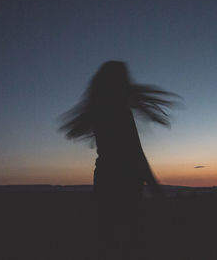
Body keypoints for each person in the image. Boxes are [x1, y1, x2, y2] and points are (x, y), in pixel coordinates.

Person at [59, 60, 180, 259]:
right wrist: (154, 186)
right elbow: (136, 152)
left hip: (105, 179)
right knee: (133, 239)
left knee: (108, 240)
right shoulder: (120, 111)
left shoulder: (98, 111)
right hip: (127, 180)